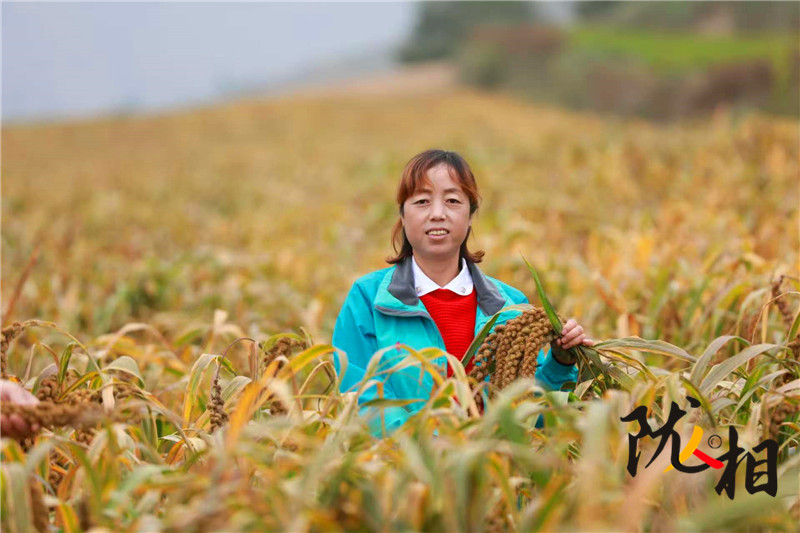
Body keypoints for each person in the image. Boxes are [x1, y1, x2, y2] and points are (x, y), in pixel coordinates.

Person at [331, 149, 594, 437]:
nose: (437, 214)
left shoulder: (510, 307)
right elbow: (360, 400)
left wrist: (560, 363)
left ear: (470, 216)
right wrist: (438, 447)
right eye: (421, 201)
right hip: (403, 474)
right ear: (403, 217)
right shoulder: (369, 300)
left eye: (453, 201)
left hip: (495, 474)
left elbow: (531, 414)